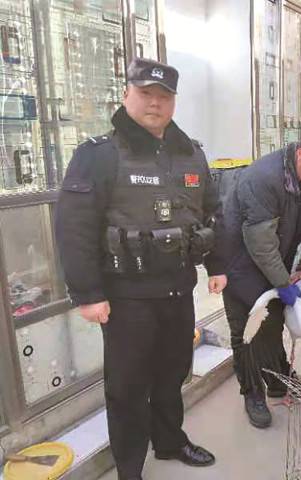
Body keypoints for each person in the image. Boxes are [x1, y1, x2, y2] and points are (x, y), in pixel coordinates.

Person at [55, 58, 223, 480]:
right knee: (128, 387)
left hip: (178, 289)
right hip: (126, 297)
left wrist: (217, 265)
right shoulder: (99, 155)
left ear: (173, 102)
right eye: (146, 93)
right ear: (126, 93)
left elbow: (211, 213)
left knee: (172, 374)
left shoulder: (191, 154)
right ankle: (129, 468)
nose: (155, 103)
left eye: (164, 96)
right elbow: (74, 228)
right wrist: (88, 293)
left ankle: (169, 442)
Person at [214, 128, 301, 429]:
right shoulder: (263, 178)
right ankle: (252, 394)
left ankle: (278, 380)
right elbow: (260, 242)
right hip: (240, 265)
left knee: (272, 323)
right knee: (246, 331)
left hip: (272, 262)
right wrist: (282, 283)